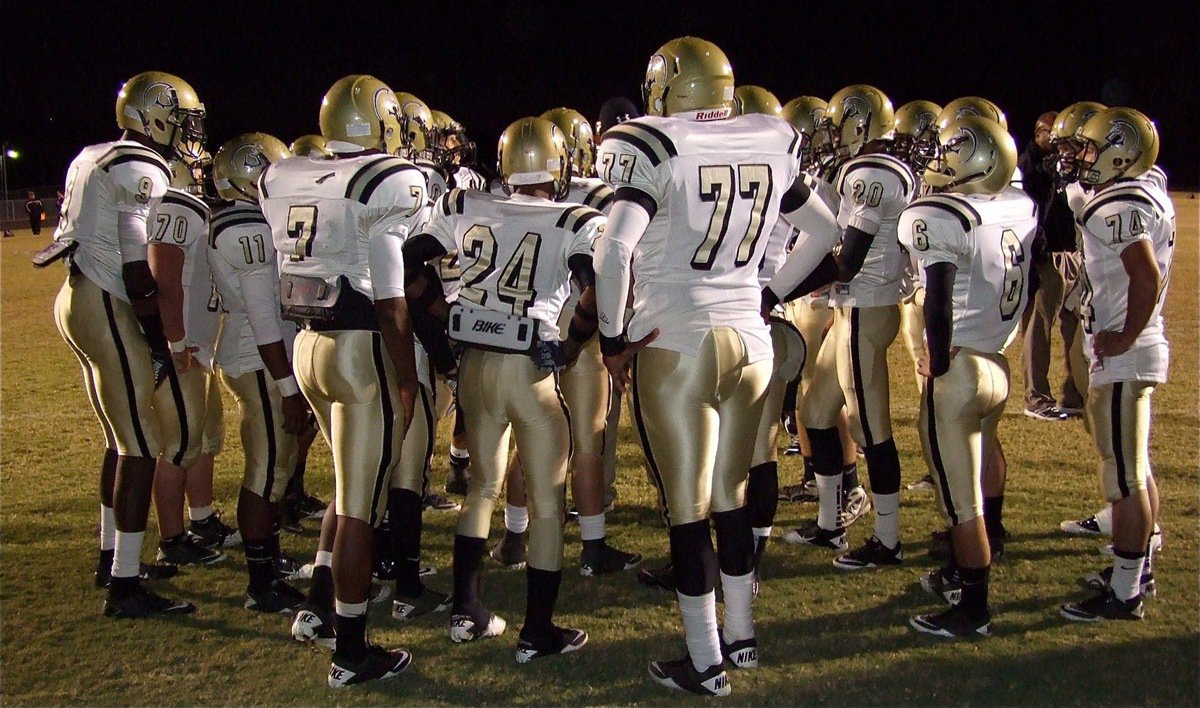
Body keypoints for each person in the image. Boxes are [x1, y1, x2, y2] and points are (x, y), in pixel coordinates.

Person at [595, 37, 840, 697]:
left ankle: (705, 663)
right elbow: (825, 233)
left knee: (687, 510)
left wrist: (613, 339)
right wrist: (768, 293)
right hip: (752, 342)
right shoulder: (768, 138)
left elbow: (614, 252)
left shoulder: (653, 145)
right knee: (730, 500)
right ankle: (744, 638)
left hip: (680, 344)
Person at [404, 116, 599, 662]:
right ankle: (537, 633)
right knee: (544, 504)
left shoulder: (466, 205)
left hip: (475, 366)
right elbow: (596, 291)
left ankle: (466, 612)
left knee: (482, 487)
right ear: (558, 165)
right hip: (529, 367)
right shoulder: (575, 218)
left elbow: (405, 260)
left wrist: (442, 320)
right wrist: (572, 347)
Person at [260, 74, 427, 687]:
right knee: (361, 504)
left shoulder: (286, 173)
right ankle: (351, 653)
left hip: (307, 342)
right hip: (358, 347)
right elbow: (390, 301)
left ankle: (319, 606)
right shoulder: (386, 182)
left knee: (345, 485)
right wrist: (406, 381)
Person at [53, 71, 206, 617]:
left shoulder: (92, 153)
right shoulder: (142, 167)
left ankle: (111, 556)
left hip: (76, 295)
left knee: (120, 439)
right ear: (154, 114)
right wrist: (159, 341)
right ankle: (125, 586)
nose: (187, 132)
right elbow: (138, 268)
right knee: (139, 446)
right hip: (106, 300)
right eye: (183, 120)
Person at [897, 115, 1036, 637]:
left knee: (959, 498)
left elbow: (937, 294)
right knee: (976, 472)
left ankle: (972, 605)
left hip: (959, 371)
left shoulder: (941, 213)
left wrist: (934, 355)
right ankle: (963, 568)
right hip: (995, 361)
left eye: (948, 152)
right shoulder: (1016, 206)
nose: (937, 161)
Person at [784, 84, 915, 571]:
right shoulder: (870, 169)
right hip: (854, 308)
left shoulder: (870, 172)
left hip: (866, 305)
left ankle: (888, 539)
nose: (831, 137)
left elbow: (848, 262)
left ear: (860, 125)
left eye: (839, 126)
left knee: (869, 426)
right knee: (816, 411)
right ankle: (828, 523)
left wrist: (777, 291)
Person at [1056, 108, 1172, 622]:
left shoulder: (1119, 204)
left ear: (1120, 152)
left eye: (1090, 149)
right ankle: (1135, 568)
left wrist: (1124, 335)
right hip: (1132, 348)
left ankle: (1125, 594)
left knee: (1122, 476)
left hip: (1128, 352)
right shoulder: (1141, 189)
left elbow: (1144, 278)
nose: (1082, 158)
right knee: (1132, 468)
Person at [208, 132, 310, 612]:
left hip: (264, 355)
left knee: (279, 465)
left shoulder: (252, 221)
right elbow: (264, 315)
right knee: (265, 469)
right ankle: (260, 582)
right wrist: (288, 386)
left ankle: (269, 562)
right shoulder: (244, 228)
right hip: (257, 358)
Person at [1020, 107, 1095, 421]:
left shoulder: (1072, 169)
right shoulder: (1028, 167)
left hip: (1073, 252)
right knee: (1039, 326)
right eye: (1055, 139)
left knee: (1075, 325)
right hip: (1046, 254)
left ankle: (1074, 393)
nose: (1061, 148)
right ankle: (1036, 396)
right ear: (1039, 135)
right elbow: (1030, 210)